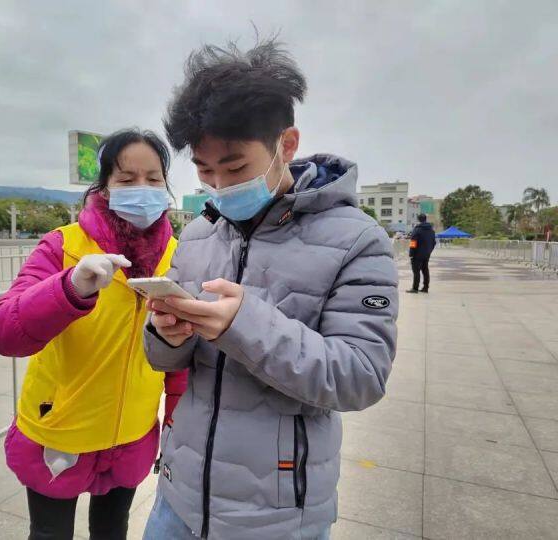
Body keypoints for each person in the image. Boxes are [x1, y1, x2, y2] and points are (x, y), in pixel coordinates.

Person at [142, 39, 398, 540]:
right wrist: (166, 335)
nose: (219, 184)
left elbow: (361, 377)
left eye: (235, 167)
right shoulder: (197, 234)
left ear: (287, 144)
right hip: (179, 496)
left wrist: (245, 325)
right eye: (204, 170)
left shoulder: (357, 240)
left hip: (277, 514)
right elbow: (168, 361)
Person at [0, 129, 188, 540]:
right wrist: (69, 288)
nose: (143, 189)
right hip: (60, 431)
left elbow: (180, 356)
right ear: (105, 187)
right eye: (127, 179)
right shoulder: (63, 245)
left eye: (153, 179)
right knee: (50, 534)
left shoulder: (177, 255)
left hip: (132, 434)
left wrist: (175, 422)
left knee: (112, 531)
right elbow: (3, 332)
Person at [406, 213, 436, 293]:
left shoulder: (417, 229)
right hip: (426, 254)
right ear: (425, 219)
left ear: (418, 220)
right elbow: (434, 242)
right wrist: (429, 251)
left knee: (416, 271)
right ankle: (425, 287)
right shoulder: (431, 230)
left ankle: (415, 288)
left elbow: (413, 242)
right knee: (425, 270)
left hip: (417, 254)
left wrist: (411, 253)